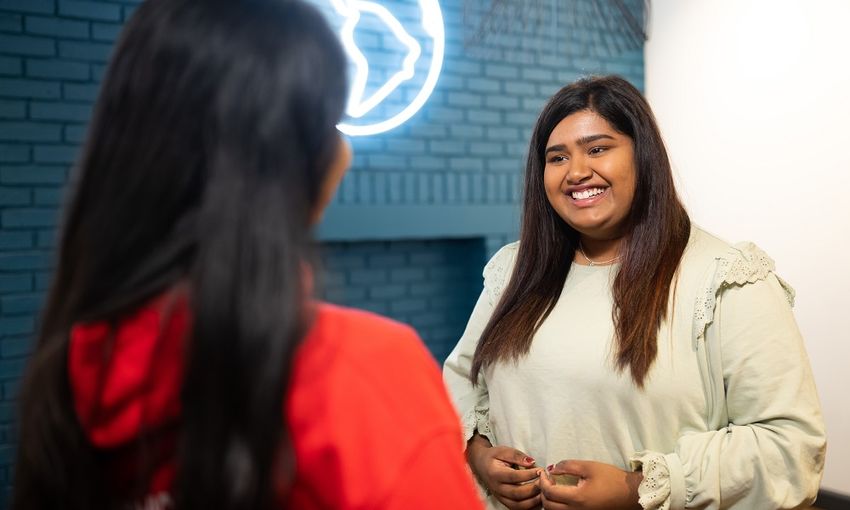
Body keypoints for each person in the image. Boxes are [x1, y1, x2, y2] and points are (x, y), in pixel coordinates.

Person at [11, 0, 482, 509]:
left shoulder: (76, 371)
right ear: (295, 157)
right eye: (332, 122)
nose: (343, 151)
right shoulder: (363, 380)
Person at [443, 75, 826, 510]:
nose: (576, 172)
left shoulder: (726, 279)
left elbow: (789, 447)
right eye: (557, 157)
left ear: (643, 155)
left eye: (597, 149)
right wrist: (478, 455)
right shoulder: (514, 271)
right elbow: (461, 382)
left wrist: (636, 488)